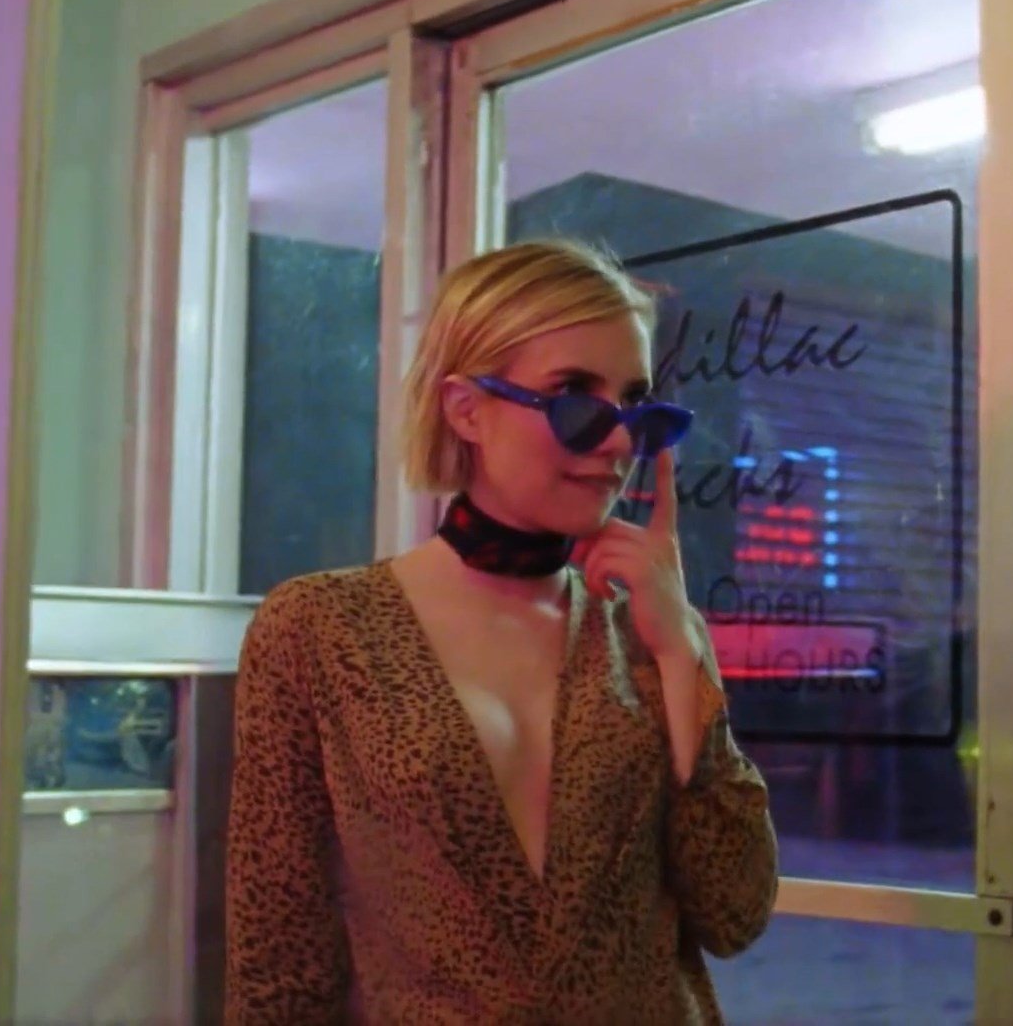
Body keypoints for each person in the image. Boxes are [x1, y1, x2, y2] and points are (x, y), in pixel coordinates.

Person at [224, 239, 779, 1024]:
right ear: (466, 409)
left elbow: (736, 911)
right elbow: (279, 954)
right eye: (576, 399)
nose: (620, 441)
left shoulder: (646, 632)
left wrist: (681, 655)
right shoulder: (319, 629)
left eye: (636, 407)